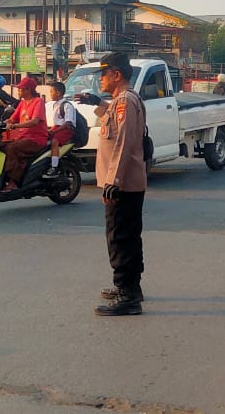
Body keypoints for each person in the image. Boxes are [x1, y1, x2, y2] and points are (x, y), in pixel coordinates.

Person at [76, 52, 147, 316]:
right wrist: (97, 102)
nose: (101, 80)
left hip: (123, 184)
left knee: (119, 238)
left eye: (104, 75)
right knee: (128, 237)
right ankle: (131, 287)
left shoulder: (124, 102)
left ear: (116, 74)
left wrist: (113, 181)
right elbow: (117, 125)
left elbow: (123, 142)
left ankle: (127, 296)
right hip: (127, 182)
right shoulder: (121, 101)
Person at [0, 77, 48, 193]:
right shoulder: (22, 103)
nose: (18, 91)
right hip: (23, 138)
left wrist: (16, 126)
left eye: (20, 89)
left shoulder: (38, 102)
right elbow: (12, 119)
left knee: (12, 148)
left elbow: (35, 121)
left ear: (28, 90)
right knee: (0, 146)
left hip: (36, 139)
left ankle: (14, 182)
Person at [43, 81, 77, 180]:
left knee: (54, 142)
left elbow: (68, 122)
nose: (50, 93)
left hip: (66, 129)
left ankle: (54, 167)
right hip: (57, 128)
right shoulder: (56, 104)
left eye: (52, 91)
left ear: (58, 93)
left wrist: (55, 132)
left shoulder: (67, 105)